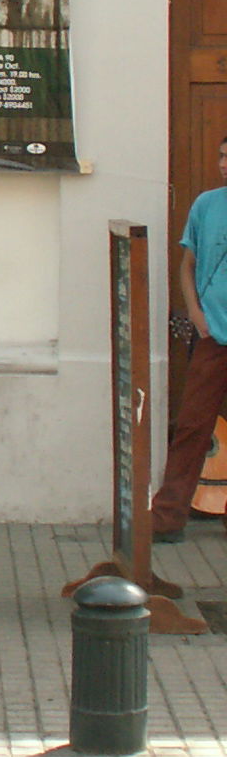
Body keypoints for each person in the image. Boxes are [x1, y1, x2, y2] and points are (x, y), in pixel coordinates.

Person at [150, 132, 227, 541]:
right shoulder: (206, 205)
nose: (224, 164)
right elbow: (187, 265)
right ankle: (166, 518)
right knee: (192, 426)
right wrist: (197, 314)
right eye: (221, 155)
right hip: (213, 335)